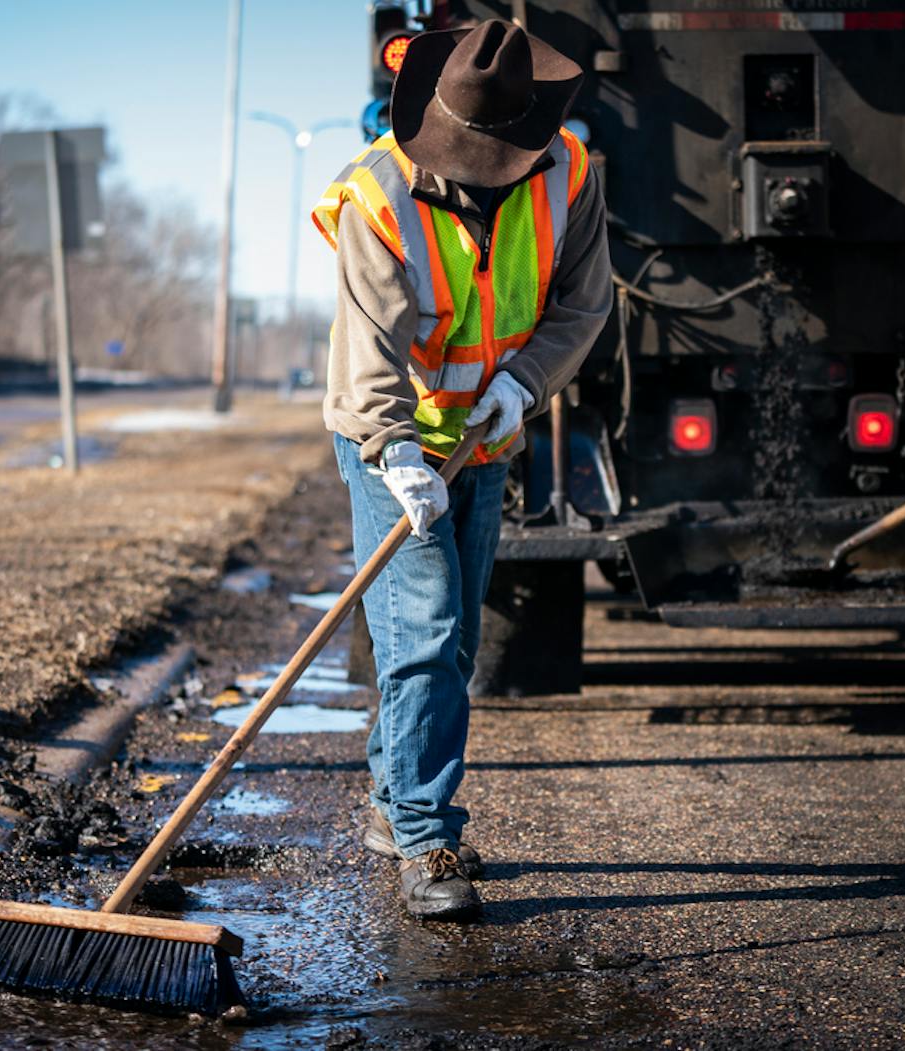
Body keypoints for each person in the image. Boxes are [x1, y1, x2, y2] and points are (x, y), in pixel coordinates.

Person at [311, 19, 612, 920]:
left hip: (488, 430)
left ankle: (389, 800)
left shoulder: (569, 174)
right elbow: (367, 351)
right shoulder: (375, 196)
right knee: (426, 631)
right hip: (392, 436)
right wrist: (395, 449)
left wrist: (525, 385)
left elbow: (585, 302)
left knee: (454, 641)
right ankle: (423, 836)